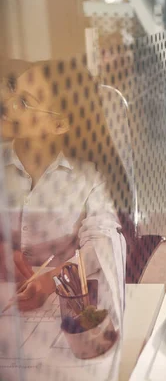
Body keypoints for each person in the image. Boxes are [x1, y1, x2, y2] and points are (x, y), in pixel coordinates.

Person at [0, 59, 124, 311]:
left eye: (24, 103)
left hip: (59, 303)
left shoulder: (87, 177)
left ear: (60, 124)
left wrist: (54, 278)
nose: (7, 105)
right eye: (13, 90)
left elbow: (104, 242)